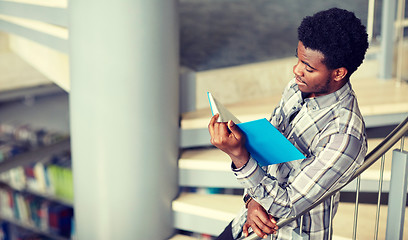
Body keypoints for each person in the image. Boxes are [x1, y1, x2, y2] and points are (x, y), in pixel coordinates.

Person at [208, 8, 369, 240]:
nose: (296, 70)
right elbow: (264, 147)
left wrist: (239, 157)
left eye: (308, 67)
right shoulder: (296, 88)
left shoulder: (344, 137)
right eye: (299, 59)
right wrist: (251, 200)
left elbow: (288, 206)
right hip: (246, 224)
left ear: (338, 73)